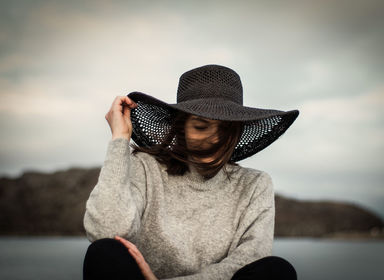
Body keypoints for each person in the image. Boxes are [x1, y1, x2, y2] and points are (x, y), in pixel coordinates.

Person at [82, 64, 299, 280]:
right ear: (181, 127)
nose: (214, 139)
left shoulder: (255, 184)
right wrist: (120, 139)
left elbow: (248, 261)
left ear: (236, 132)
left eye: (225, 129)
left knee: (276, 271)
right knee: (104, 253)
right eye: (201, 126)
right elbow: (106, 231)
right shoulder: (145, 167)